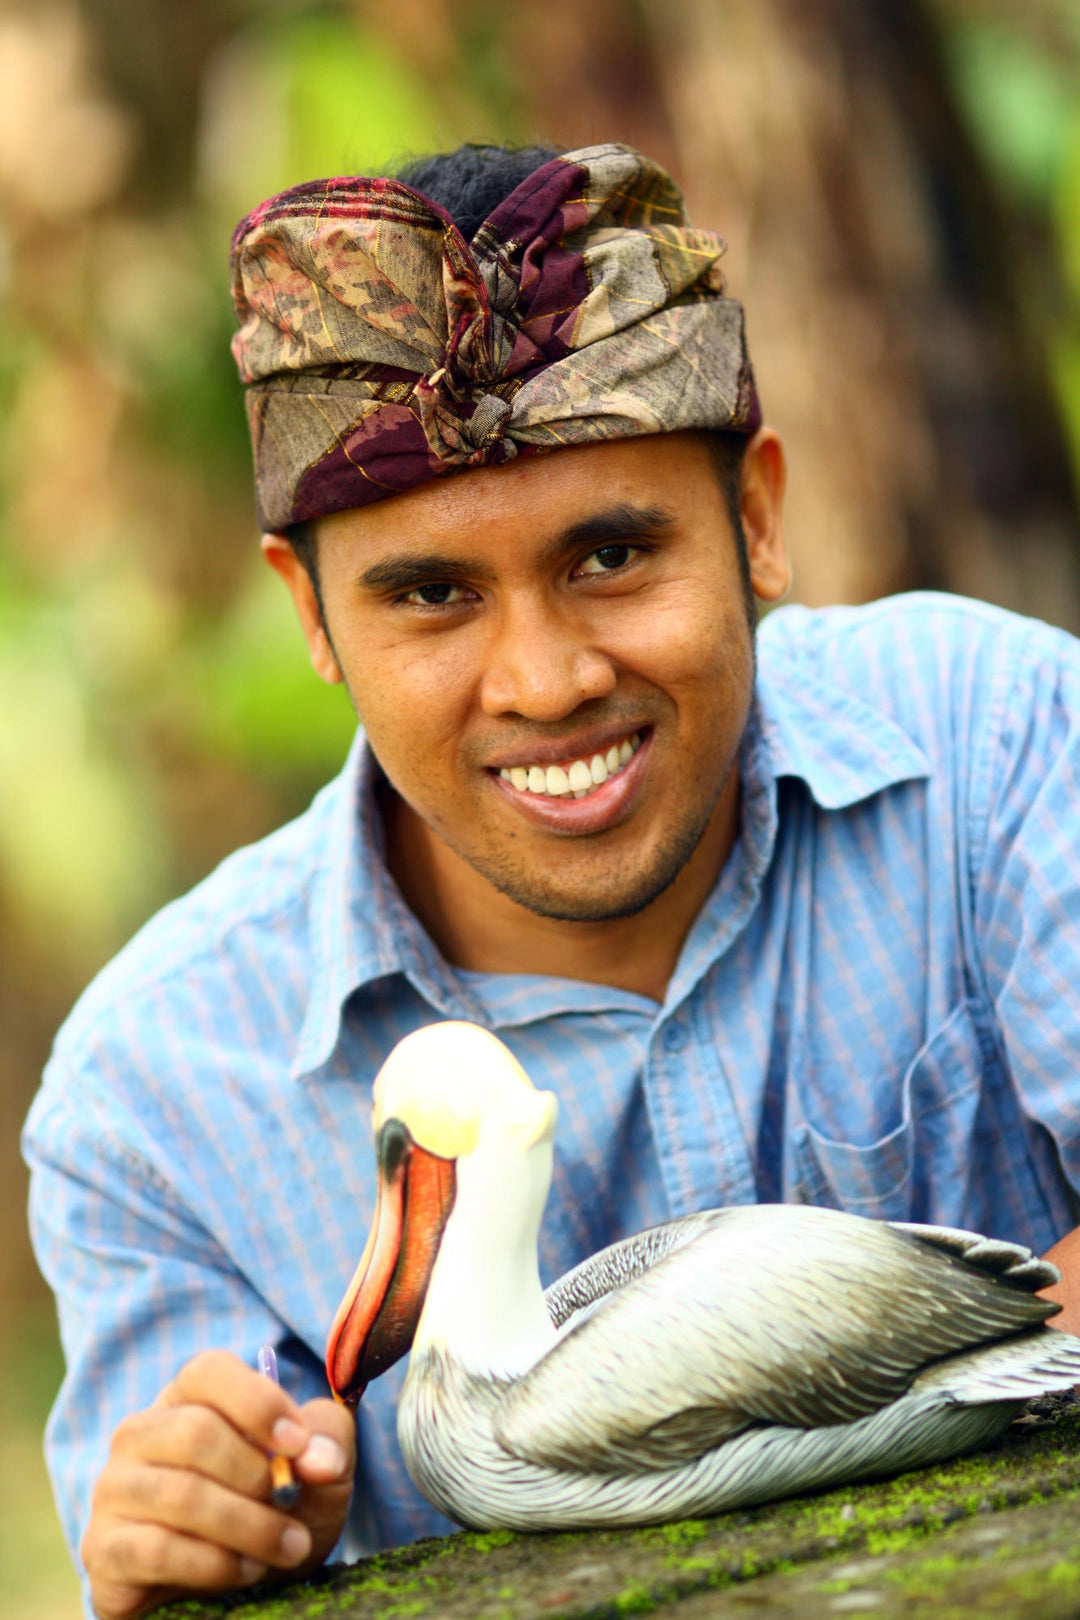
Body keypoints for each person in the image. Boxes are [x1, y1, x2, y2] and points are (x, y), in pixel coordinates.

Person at [22, 139, 1080, 1620]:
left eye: (613, 554)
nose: (543, 680)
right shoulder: (152, 1109)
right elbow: (194, 1544)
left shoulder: (1007, 737)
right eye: (431, 594)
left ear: (756, 520)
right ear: (310, 615)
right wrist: (184, 1533)